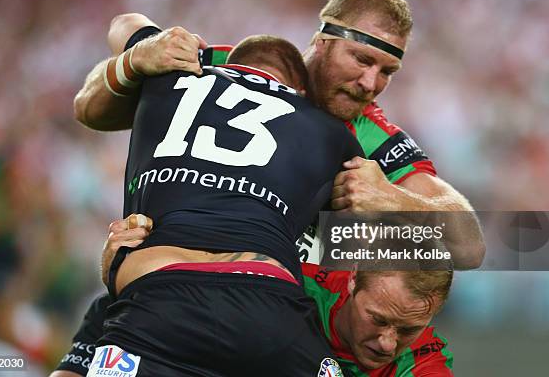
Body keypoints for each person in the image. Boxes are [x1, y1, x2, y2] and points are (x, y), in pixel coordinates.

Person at [73, 0, 485, 270]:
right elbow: (92, 105)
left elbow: (468, 246)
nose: (371, 83)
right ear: (323, 41)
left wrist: (392, 204)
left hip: (269, 308)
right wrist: (133, 58)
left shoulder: (374, 138)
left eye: (387, 71)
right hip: (162, 275)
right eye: (362, 60)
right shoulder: (231, 68)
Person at [84, 34, 360, 377]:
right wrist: (395, 198)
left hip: (156, 292)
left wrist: (134, 57)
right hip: (266, 303)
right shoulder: (332, 130)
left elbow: (115, 40)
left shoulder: (163, 76)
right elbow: (419, 245)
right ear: (300, 93)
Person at [52, 216, 454, 377]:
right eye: (379, 319)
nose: (388, 343)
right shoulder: (288, 283)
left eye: (408, 329)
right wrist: (119, 262)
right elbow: (153, 293)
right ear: (351, 282)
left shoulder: (424, 363)